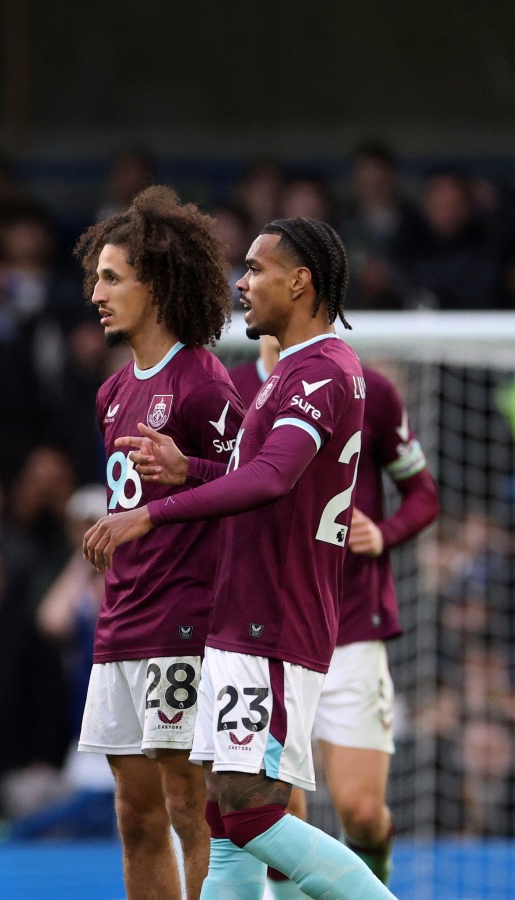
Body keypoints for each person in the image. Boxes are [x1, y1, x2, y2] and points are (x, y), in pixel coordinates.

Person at [84, 217, 396, 898]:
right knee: (225, 824)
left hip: (275, 620)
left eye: (256, 269)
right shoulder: (294, 372)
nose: (242, 283)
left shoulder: (320, 373)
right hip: (244, 617)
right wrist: (189, 470)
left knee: (251, 813)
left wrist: (151, 512)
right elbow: (247, 472)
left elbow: (270, 478)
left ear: (301, 280)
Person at [74, 185, 242, 900]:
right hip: (122, 618)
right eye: (95, 278)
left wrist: (188, 472)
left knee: (187, 805)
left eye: (111, 277)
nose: (96, 294)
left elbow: (255, 485)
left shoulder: (206, 382)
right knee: (134, 814)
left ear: (158, 284)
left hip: (186, 616)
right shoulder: (111, 394)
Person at [228, 336, 440, 896]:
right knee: (278, 816)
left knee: (363, 812)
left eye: (260, 273)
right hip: (267, 631)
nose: (249, 291)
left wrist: (386, 532)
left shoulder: (372, 391)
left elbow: (422, 494)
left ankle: (376, 881)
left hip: (349, 625)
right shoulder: (235, 391)